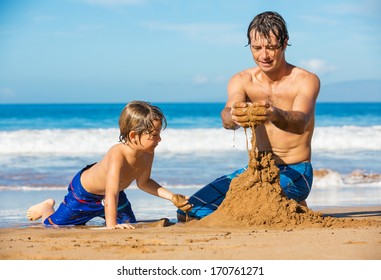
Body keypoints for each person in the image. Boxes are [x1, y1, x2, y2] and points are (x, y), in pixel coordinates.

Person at [177, 11, 320, 221]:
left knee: (251, 208)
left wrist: (273, 113)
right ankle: (288, 206)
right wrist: (234, 115)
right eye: (257, 48)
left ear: (284, 44)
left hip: (297, 170)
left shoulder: (305, 80)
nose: (264, 55)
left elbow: (301, 122)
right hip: (257, 169)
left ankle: (291, 202)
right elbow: (226, 116)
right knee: (188, 212)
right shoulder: (242, 80)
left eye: (271, 47)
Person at [27, 101, 192, 229]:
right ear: (134, 135)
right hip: (84, 194)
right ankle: (46, 206)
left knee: (130, 224)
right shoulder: (117, 154)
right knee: (53, 225)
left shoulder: (148, 152)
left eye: (159, 134)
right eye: (154, 135)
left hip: (115, 195)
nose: (159, 140)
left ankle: (109, 217)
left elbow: (144, 183)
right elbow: (110, 192)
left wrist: (172, 196)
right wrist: (111, 225)